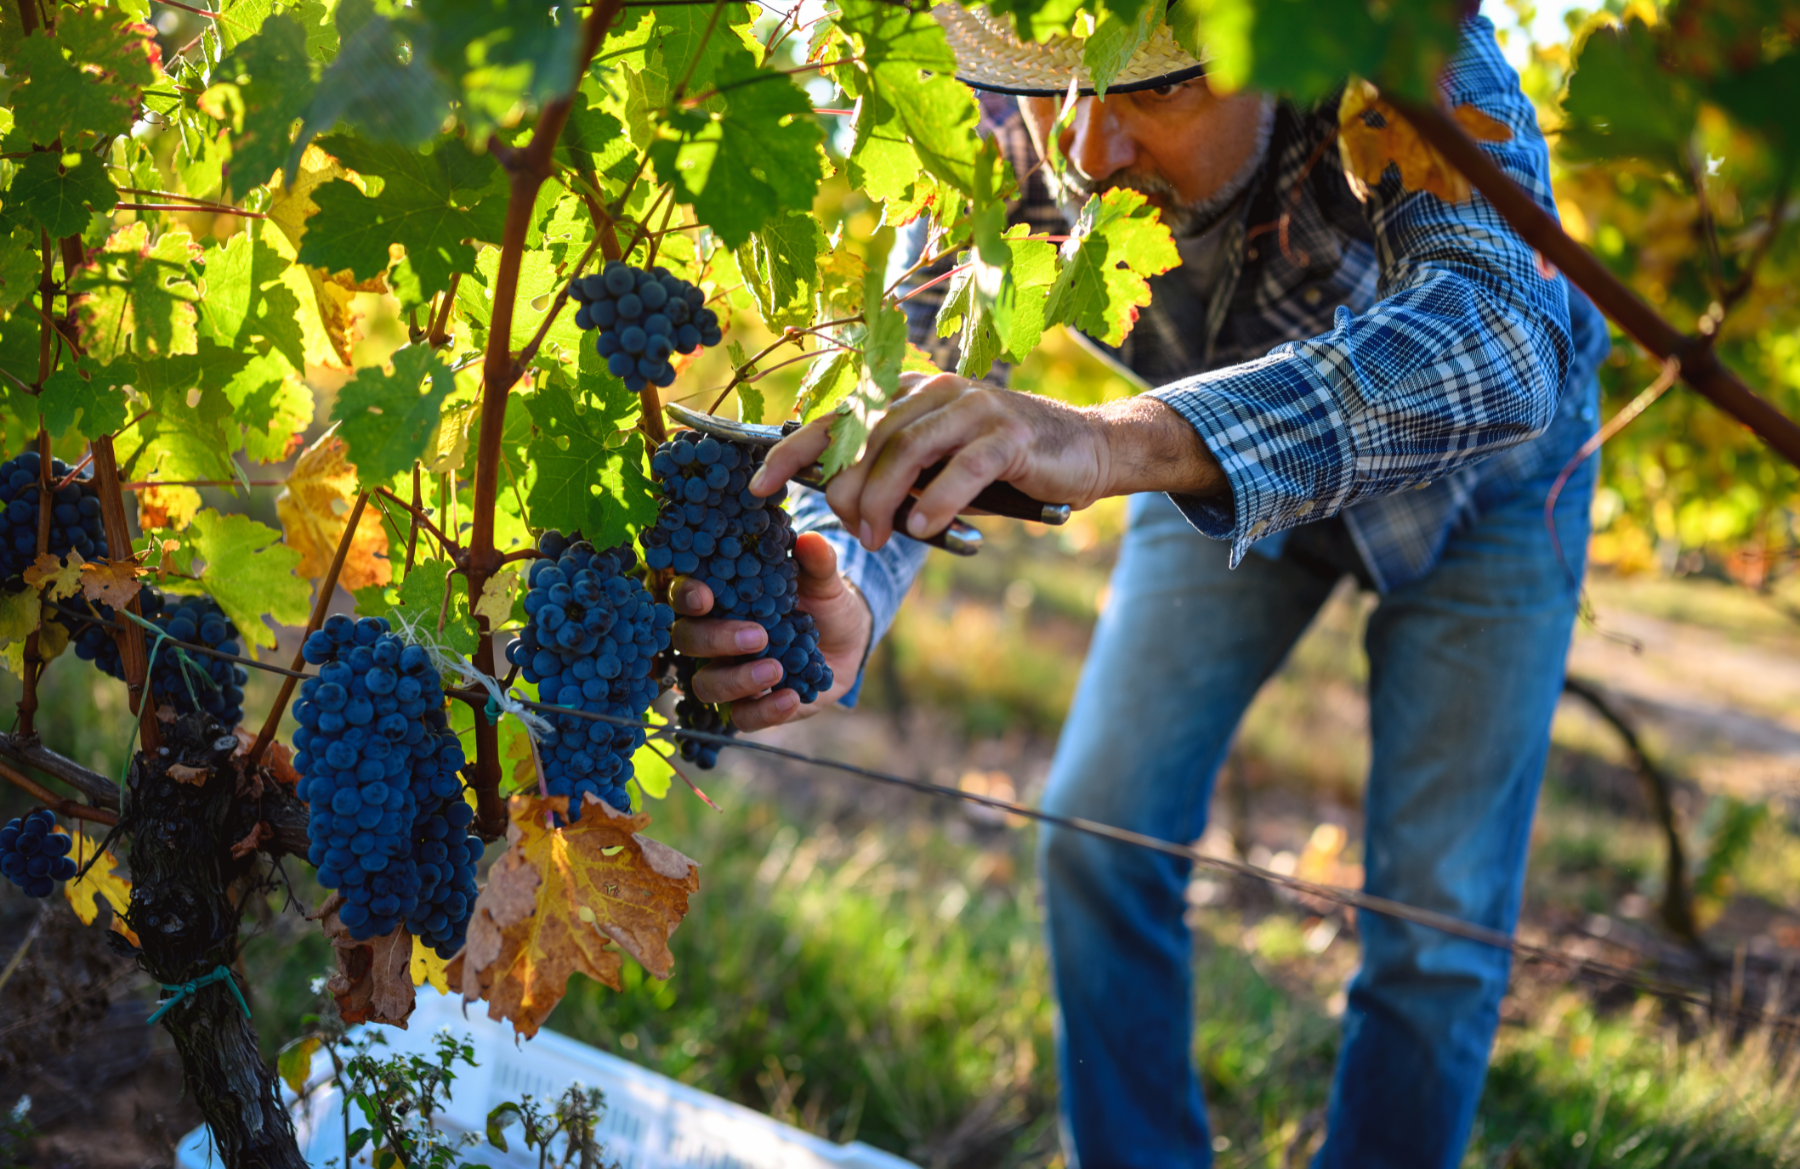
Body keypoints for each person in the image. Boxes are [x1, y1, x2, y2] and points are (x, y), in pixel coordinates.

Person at [667, 5, 1611, 1166]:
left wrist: (1116, 443)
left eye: (1156, 93)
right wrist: (846, 572)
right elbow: (914, 373)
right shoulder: (1028, 87)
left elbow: (1506, 335)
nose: (1084, 152)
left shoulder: (1396, 42)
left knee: (1437, 928)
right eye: (1065, 93)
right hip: (1213, 464)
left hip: (1491, 493)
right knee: (1099, 834)